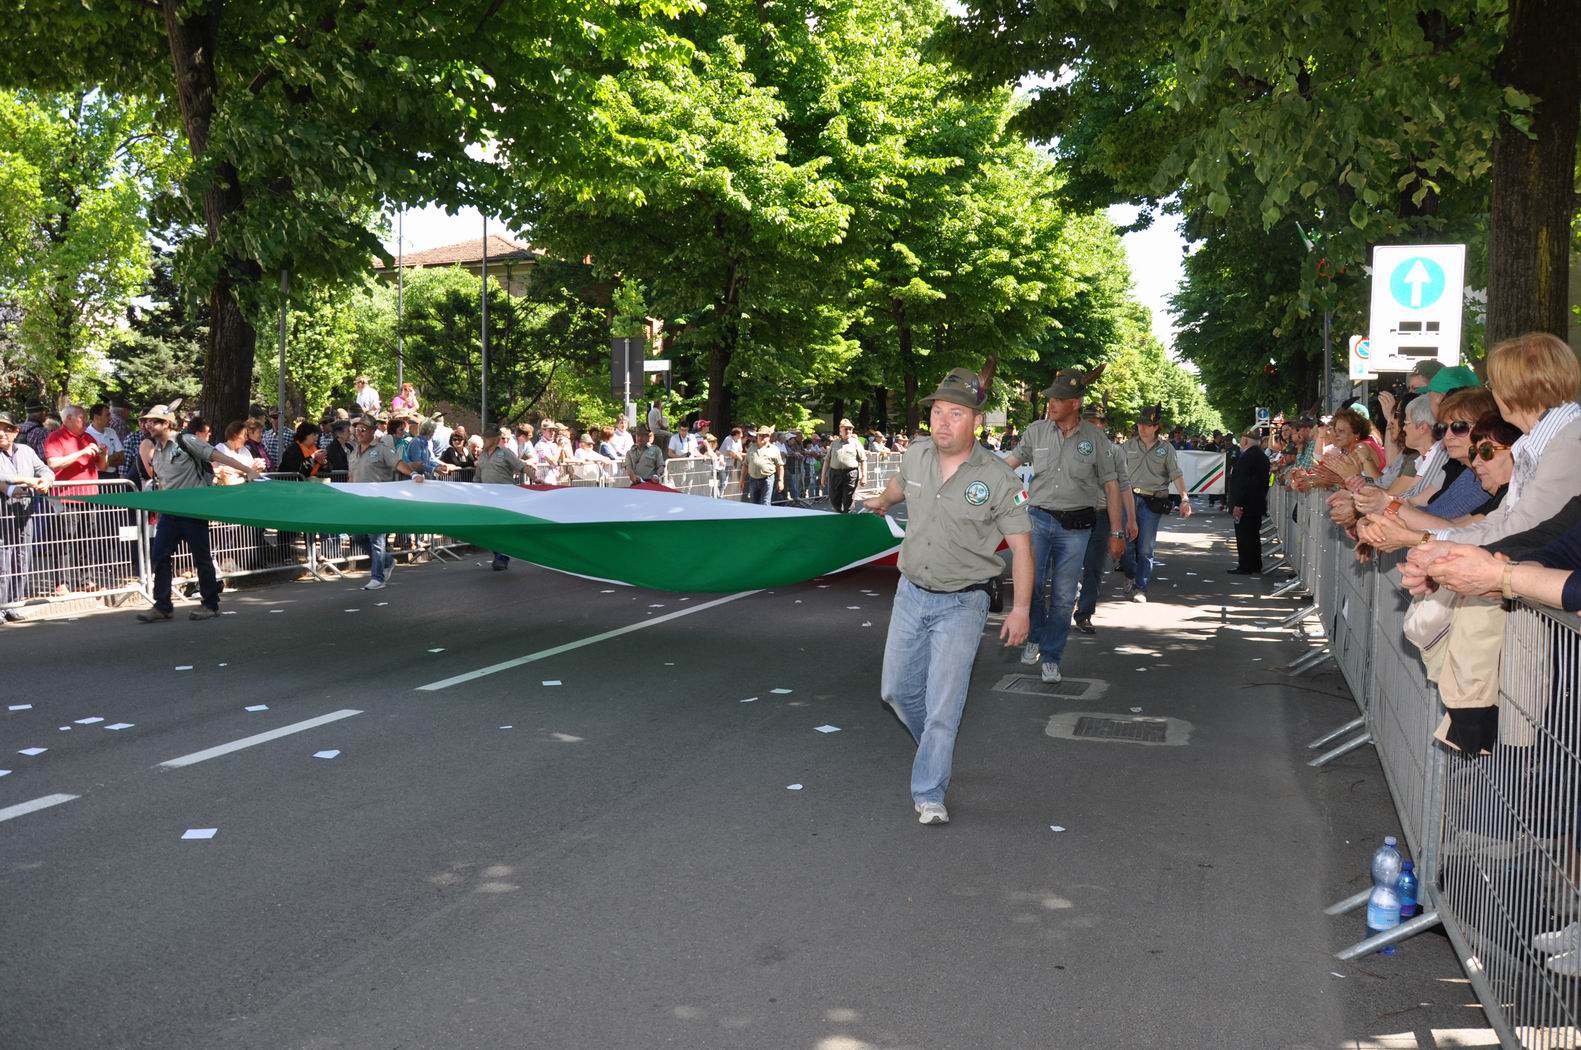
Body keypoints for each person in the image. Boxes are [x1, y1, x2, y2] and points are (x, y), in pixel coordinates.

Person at [863, 361, 1032, 827]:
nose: (942, 421)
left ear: (976, 420)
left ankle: (930, 791)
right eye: (937, 411)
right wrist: (883, 501)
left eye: (955, 413)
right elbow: (900, 486)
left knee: (943, 704)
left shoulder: (998, 478)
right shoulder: (917, 454)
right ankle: (935, 749)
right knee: (896, 691)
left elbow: (1022, 548)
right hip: (911, 594)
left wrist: (1021, 609)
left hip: (963, 602)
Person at [1003, 367, 1124, 684]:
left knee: (1063, 595)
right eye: (1051, 398)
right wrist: (977, 482)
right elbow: (1010, 463)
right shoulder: (1037, 431)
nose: (1051, 403)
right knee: (1031, 584)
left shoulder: (1095, 439)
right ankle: (1035, 636)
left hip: (1076, 528)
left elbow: (1111, 485)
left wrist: (1117, 531)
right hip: (1038, 519)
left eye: (1058, 399)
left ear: (1075, 403)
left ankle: (1052, 656)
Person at [136, 407, 263, 621]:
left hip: (193, 510)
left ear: (167, 424)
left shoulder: (186, 441)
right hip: (170, 512)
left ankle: (210, 604)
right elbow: (164, 482)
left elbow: (216, 455)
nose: (148, 425)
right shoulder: (156, 450)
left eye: (154, 421)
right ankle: (163, 606)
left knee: (201, 557)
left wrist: (248, 470)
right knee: (159, 555)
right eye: (147, 421)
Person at [1071, 404, 1135, 633]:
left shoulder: (1115, 452)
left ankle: (1084, 614)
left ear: (1103, 425)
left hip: (1101, 515)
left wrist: (1131, 519)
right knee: (1067, 564)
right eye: (1087, 421)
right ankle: (1063, 608)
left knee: (1094, 566)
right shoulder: (1071, 446)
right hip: (1072, 513)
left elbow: (1124, 485)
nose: (1091, 425)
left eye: (1096, 422)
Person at [1119, 404, 1192, 603]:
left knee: (1145, 547)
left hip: (1152, 501)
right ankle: (1131, 574)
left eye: (1147, 425)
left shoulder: (1166, 449)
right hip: (1128, 499)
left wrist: (1184, 498)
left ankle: (1140, 588)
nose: (1142, 428)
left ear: (1156, 427)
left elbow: (1176, 474)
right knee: (1125, 544)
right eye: (1140, 424)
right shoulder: (1127, 446)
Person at [346, 414, 420, 590]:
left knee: (376, 539)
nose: (359, 432)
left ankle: (377, 578)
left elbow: (398, 463)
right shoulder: (353, 453)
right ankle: (387, 561)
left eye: (363, 429)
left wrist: (413, 474)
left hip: (378, 502)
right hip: (360, 503)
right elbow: (351, 477)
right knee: (358, 537)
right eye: (356, 429)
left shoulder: (382, 450)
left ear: (372, 431)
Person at [0, 411, 54, 622]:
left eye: (6, 429)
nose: (2, 433)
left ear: (16, 431)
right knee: (3, 560)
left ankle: (13, 604)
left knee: (22, 558)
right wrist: (26, 480)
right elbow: (3, 476)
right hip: (2, 515)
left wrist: (46, 480)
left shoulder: (26, 451)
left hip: (25, 512)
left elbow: (45, 469)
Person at [475, 428, 529, 570]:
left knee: (502, 528)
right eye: (484, 437)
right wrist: (472, 490)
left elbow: (521, 466)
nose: (484, 440)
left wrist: (536, 479)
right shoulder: (482, 455)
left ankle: (502, 557)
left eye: (487, 437)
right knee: (490, 529)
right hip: (487, 498)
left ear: (495, 438)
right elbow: (478, 476)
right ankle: (497, 554)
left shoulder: (505, 453)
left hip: (504, 498)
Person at [1226, 428, 1270, 575]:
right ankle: (1255, 564)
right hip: (1257, 503)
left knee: (1244, 536)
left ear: (1245, 441)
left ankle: (1245, 565)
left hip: (1245, 505)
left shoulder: (1246, 458)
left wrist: (1238, 504)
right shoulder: (1262, 457)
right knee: (1254, 536)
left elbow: (1243, 484)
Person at [822, 419, 866, 513]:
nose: (848, 431)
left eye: (850, 429)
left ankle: (848, 517)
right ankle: (838, 515)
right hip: (834, 473)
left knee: (848, 499)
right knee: (834, 498)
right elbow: (827, 460)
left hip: (850, 474)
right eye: (846, 429)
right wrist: (823, 476)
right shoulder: (834, 443)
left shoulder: (856, 443)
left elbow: (863, 460)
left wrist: (864, 477)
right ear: (840, 430)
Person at [741, 425, 785, 505]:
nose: (762, 437)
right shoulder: (751, 448)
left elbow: (780, 466)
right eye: (760, 435)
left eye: (765, 435)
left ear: (769, 437)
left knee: (765, 503)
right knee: (753, 503)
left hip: (767, 479)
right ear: (757, 436)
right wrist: (742, 480)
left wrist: (780, 481)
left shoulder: (774, 449)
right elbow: (745, 465)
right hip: (753, 479)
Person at [87, 403, 126, 480]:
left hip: (113, 475)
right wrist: (115, 456)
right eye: (107, 415)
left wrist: (104, 460)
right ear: (96, 417)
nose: (110, 418)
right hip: (96, 476)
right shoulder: (86, 434)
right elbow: (92, 462)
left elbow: (122, 458)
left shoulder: (111, 432)